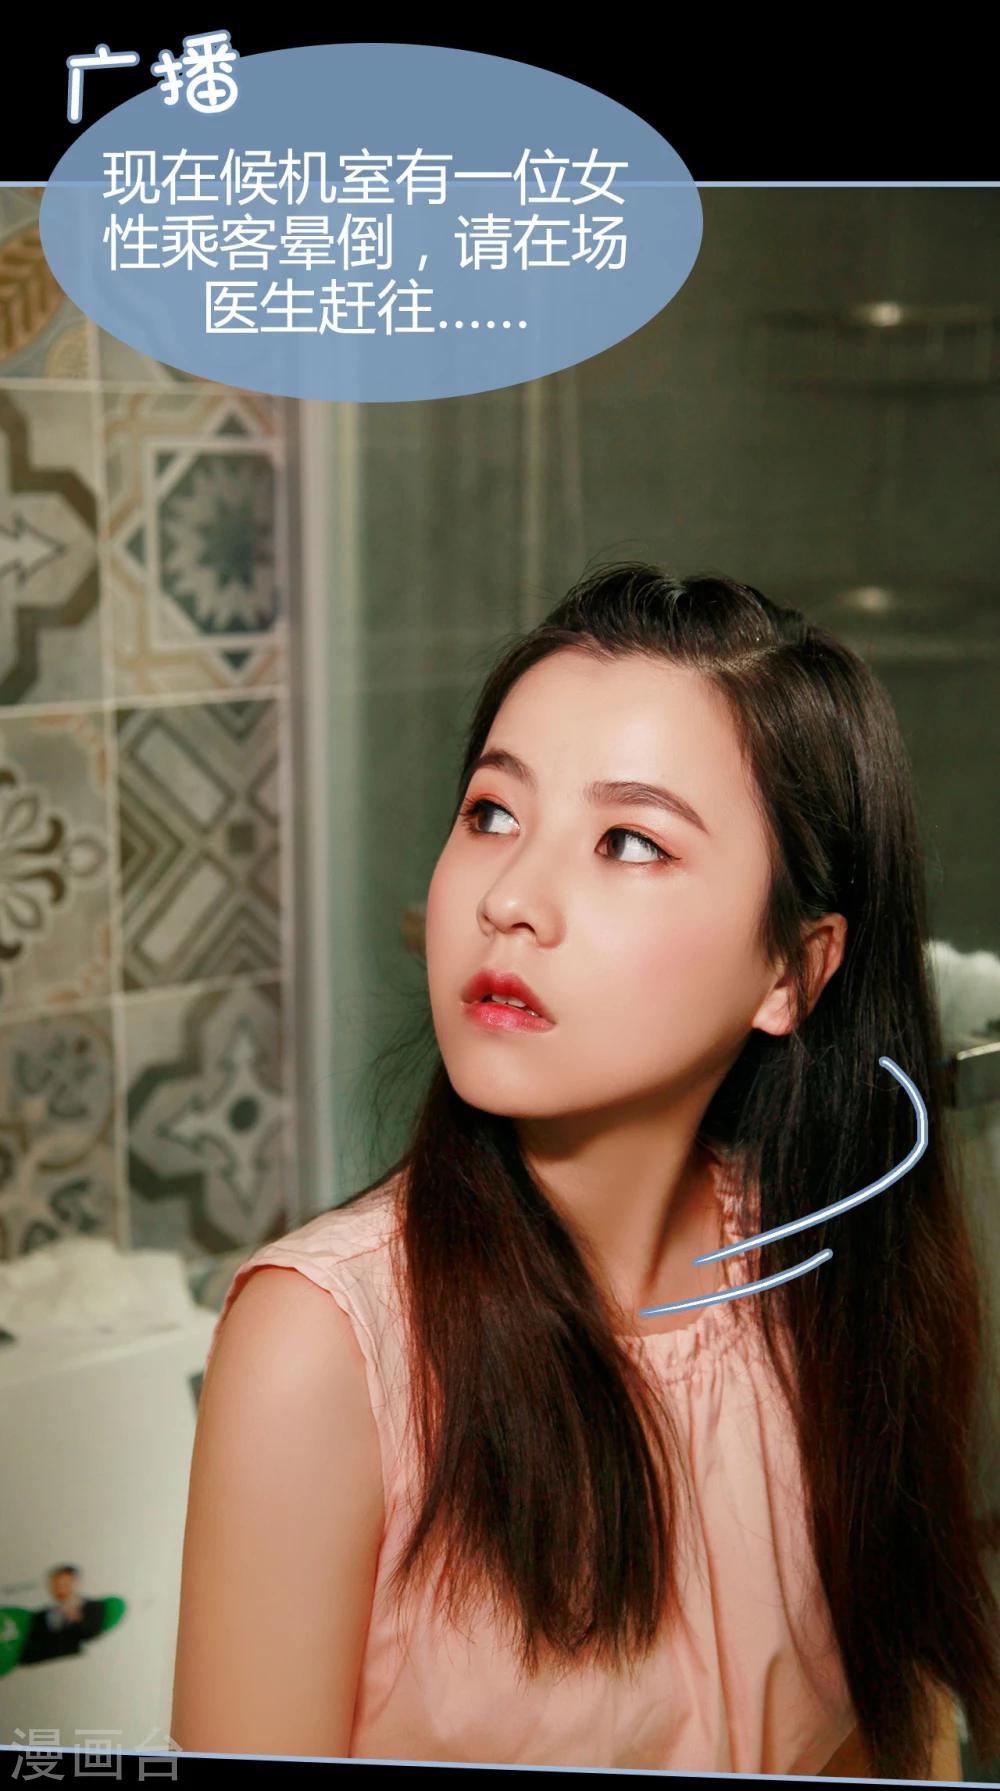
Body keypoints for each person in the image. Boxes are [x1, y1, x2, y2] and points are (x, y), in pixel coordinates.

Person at [171, 562, 1000, 1775]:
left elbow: (894, 1730)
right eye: (491, 814)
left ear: (792, 970)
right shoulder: (323, 1352)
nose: (510, 898)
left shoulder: (830, 1279)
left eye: (627, 840)